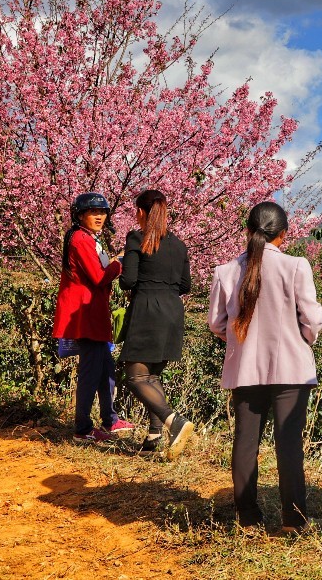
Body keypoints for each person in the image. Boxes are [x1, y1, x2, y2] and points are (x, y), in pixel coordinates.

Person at [207, 201, 322, 533]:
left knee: (245, 441)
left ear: (247, 231)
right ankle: (294, 520)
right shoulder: (296, 266)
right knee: (288, 443)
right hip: (292, 369)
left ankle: (247, 517)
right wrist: (301, 337)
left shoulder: (226, 271)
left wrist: (239, 342)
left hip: (245, 370)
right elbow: (312, 319)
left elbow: (216, 323)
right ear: (283, 235)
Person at [118, 189, 196, 459]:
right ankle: (153, 435)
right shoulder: (179, 244)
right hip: (173, 313)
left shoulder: (136, 238)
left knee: (136, 376)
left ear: (140, 212)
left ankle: (173, 421)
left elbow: (127, 280)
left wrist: (122, 265)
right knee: (152, 376)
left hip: (147, 311)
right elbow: (186, 285)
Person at [53, 192, 135, 443]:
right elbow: (99, 277)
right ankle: (83, 428)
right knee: (91, 371)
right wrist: (119, 263)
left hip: (93, 313)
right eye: (93, 212)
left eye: (102, 212)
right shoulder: (81, 239)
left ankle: (110, 419)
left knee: (105, 369)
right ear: (80, 216)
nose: (99, 216)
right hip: (85, 314)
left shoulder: (88, 239)